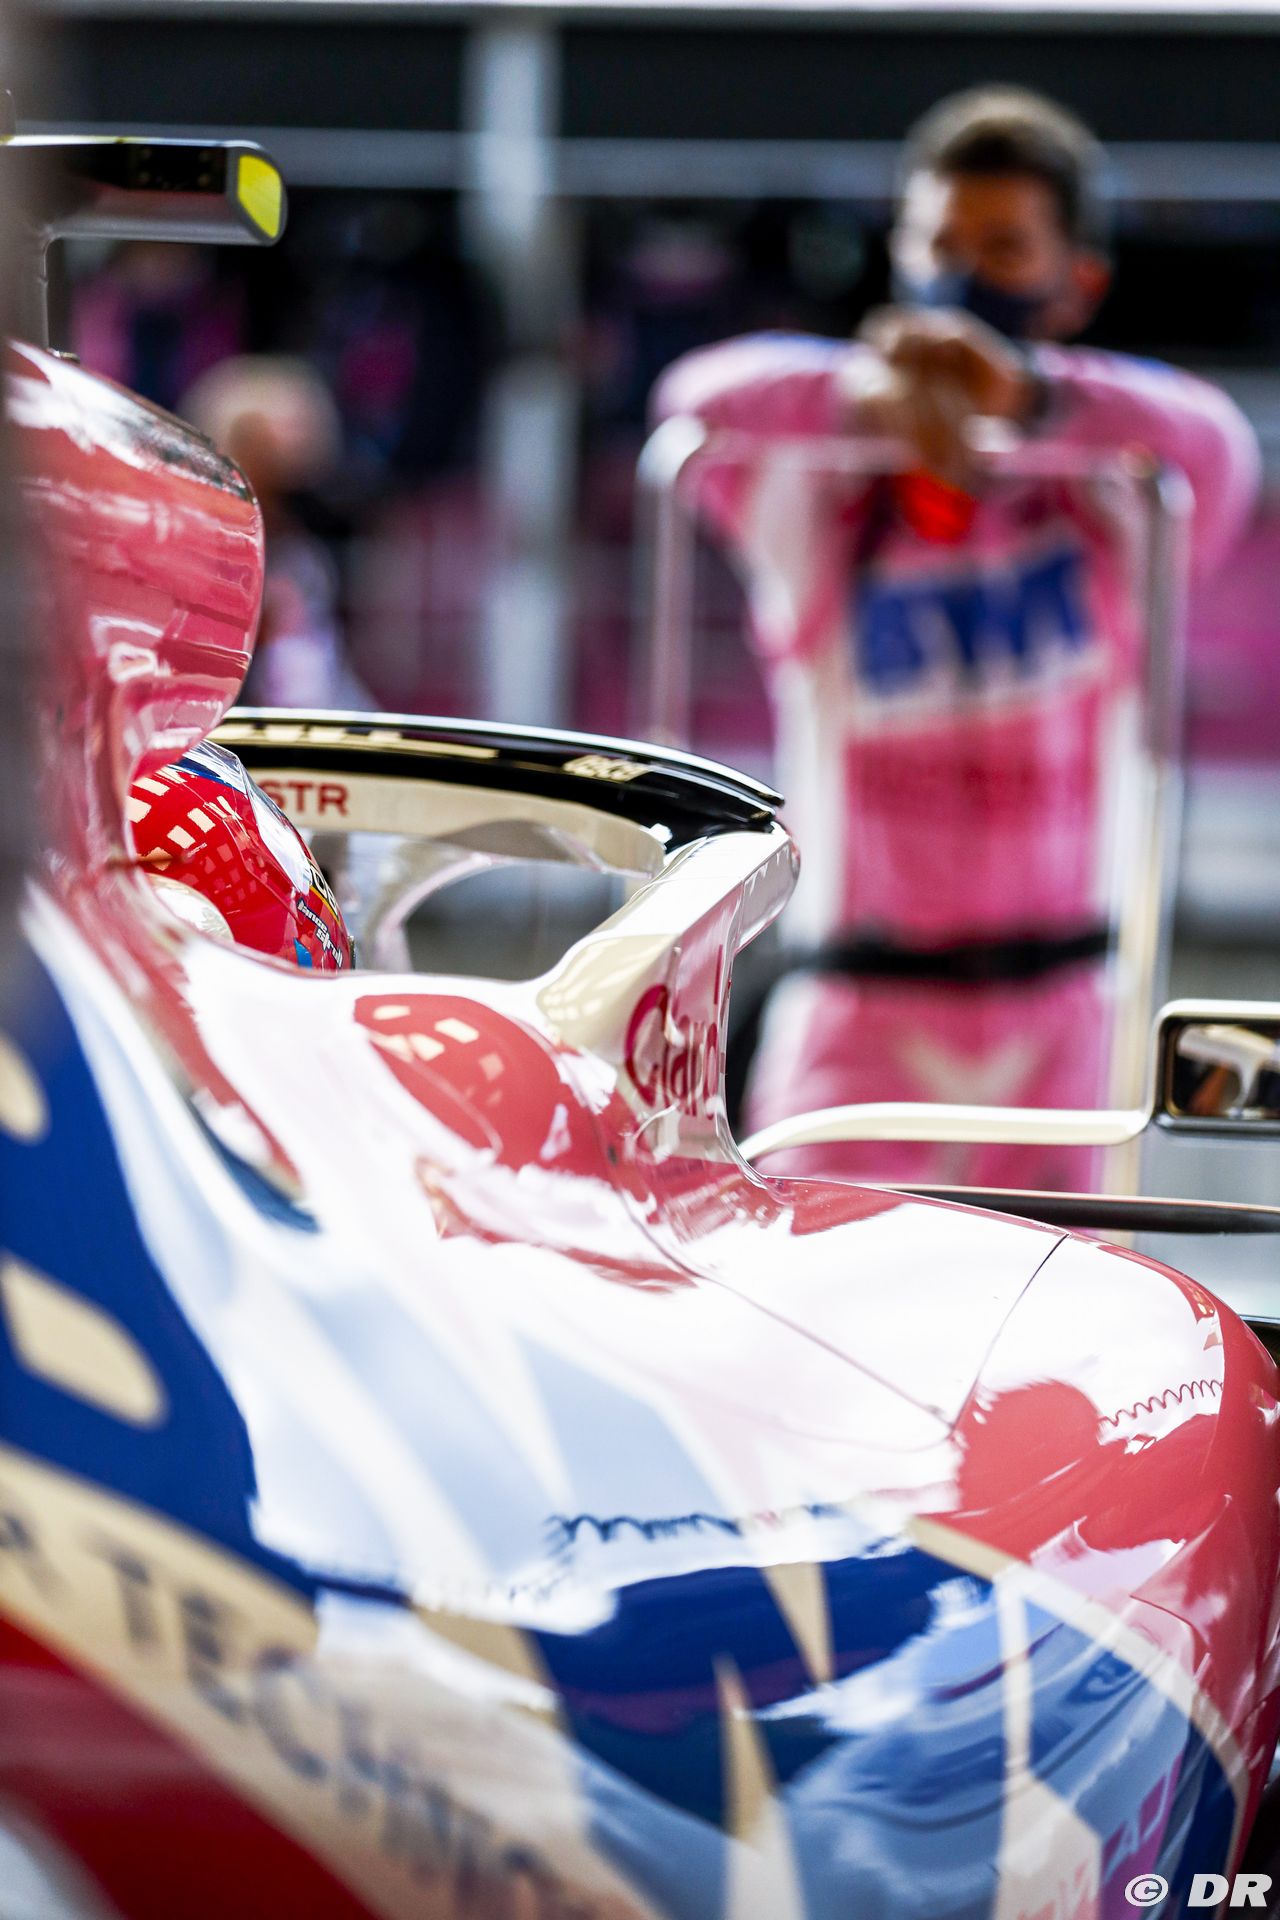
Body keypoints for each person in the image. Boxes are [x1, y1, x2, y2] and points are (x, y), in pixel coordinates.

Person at [652, 86, 1260, 1187]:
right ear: (898, 255)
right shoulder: (823, 479)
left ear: (1075, 283)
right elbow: (694, 400)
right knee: (813, 1281)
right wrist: (867, 396)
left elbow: (1218, 445)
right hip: (857, 996)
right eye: (939, 245)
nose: (964, 278)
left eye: (1004, 249)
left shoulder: (1117, 487)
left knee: (1069, 1285)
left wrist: (1027, 397)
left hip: (1065, 1008)